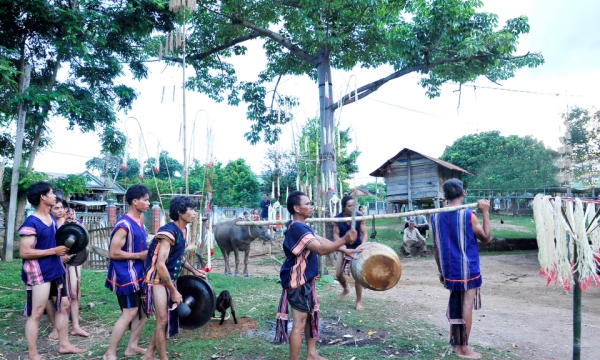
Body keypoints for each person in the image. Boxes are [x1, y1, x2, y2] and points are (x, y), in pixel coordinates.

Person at [275, 190, 359, 360]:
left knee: (311, 315)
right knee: (299, 323)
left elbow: (321, 240)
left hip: (306, 280)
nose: (310, 207)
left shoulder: (300, 226)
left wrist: (345, 249)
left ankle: (312, 354)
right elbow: (320, 250)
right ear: (297, 208)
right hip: (297, 282)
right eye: (307, 204)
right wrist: (344, 239)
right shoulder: (298, 228)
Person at [18, 182, 85, 360]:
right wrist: (53, 252)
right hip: (38, 272)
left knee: (64, 306)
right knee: (37, 312)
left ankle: (64, 345)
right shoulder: (32, 222)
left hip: (55, 269)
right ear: (42, 197)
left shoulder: (50, 219)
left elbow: (53, 243)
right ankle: (33, 354)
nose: (54, 196)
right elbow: (24, 252)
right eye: (50, 193)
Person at [431, 179, 491, 359]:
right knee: (465, 304)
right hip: (468, 269)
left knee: (457, 303)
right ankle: (463, 348)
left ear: (444, 196)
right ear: (463, 193)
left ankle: (457, 342)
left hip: (449, 269)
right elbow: (486, 238)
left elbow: (435, 247)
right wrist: (485, 213)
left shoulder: (434, 216)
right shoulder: (468, 215)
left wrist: (441, 271)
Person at [142, 196, 207, 360]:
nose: (194, 213)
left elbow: (178, 257)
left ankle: (149, 354)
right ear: (179, 212)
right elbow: (161, 265)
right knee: (162, 320)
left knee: (163, 321)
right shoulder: (168, 232)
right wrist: (174, 292)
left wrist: (195, 271)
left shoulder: (182, 230)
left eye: (194, 209)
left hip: (168, 278)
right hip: (157, 278)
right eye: (191, 209)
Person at [103, 184, 151, 360]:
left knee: (143, 311)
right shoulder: (124, 224)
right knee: (129, 312)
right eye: (145, 200)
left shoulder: (140, 222)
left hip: (139, 272)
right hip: (126, 274)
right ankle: (110, 353)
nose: (148, 203)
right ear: (135, 201)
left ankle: (132, 346)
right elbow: (113, 253)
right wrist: (140, 255)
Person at [47, 198, 89, 339]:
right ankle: (55, 327)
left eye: (61, 208)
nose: (59, 210)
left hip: (71, 261)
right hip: (53, 262)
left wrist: (71, 255)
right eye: (55, 208)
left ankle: (76, 326)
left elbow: (82, 244)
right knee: (53, 296)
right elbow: (45, 247)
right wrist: (58, 257)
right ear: (50, 209)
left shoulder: (73, 224)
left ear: (66, 209)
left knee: (74, 292)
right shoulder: (48, 225)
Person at [333, 195, 368, 310]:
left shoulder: (359, 217)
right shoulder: (338, 218)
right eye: (349, 206)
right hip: (343, 247)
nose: (352, 208)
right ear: (344, 207)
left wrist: (362, 246)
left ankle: (359, 301)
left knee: (357, 276)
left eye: (354, 205)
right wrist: (342, 247)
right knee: (338, 274)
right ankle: (345, 289)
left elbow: (364, 233)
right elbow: (336, 236)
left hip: (357, 248)